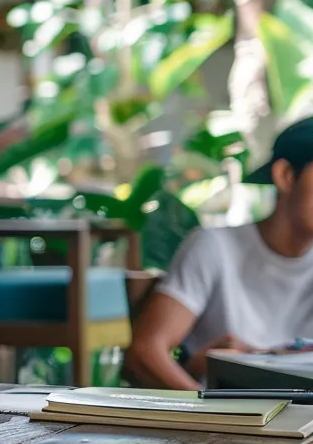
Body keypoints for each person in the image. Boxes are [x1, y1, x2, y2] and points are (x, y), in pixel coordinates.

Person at [125, 117, 313, 391]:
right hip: (223, 426)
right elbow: (144, 353)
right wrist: (212, 410)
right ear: (285, 175)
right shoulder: (214, 248)